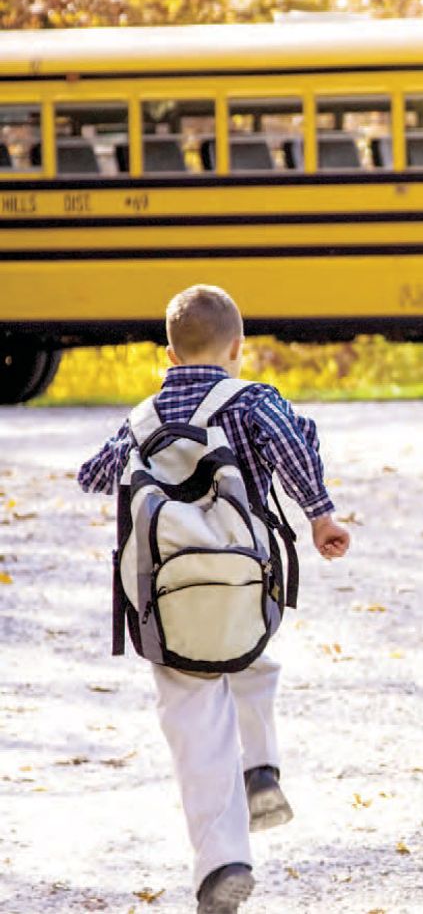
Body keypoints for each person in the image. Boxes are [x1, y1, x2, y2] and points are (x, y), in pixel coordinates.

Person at [77, 285, 351, 914]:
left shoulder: (142, 418)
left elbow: (94, 474)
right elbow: (293, 443)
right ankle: (261, 771)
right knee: (255, 660)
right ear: (238, 346)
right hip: (245, 586)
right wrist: (320, 516)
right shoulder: (253, 400)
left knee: (194, 721)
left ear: (168, 356)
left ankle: (222, 862)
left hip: (167, 602)